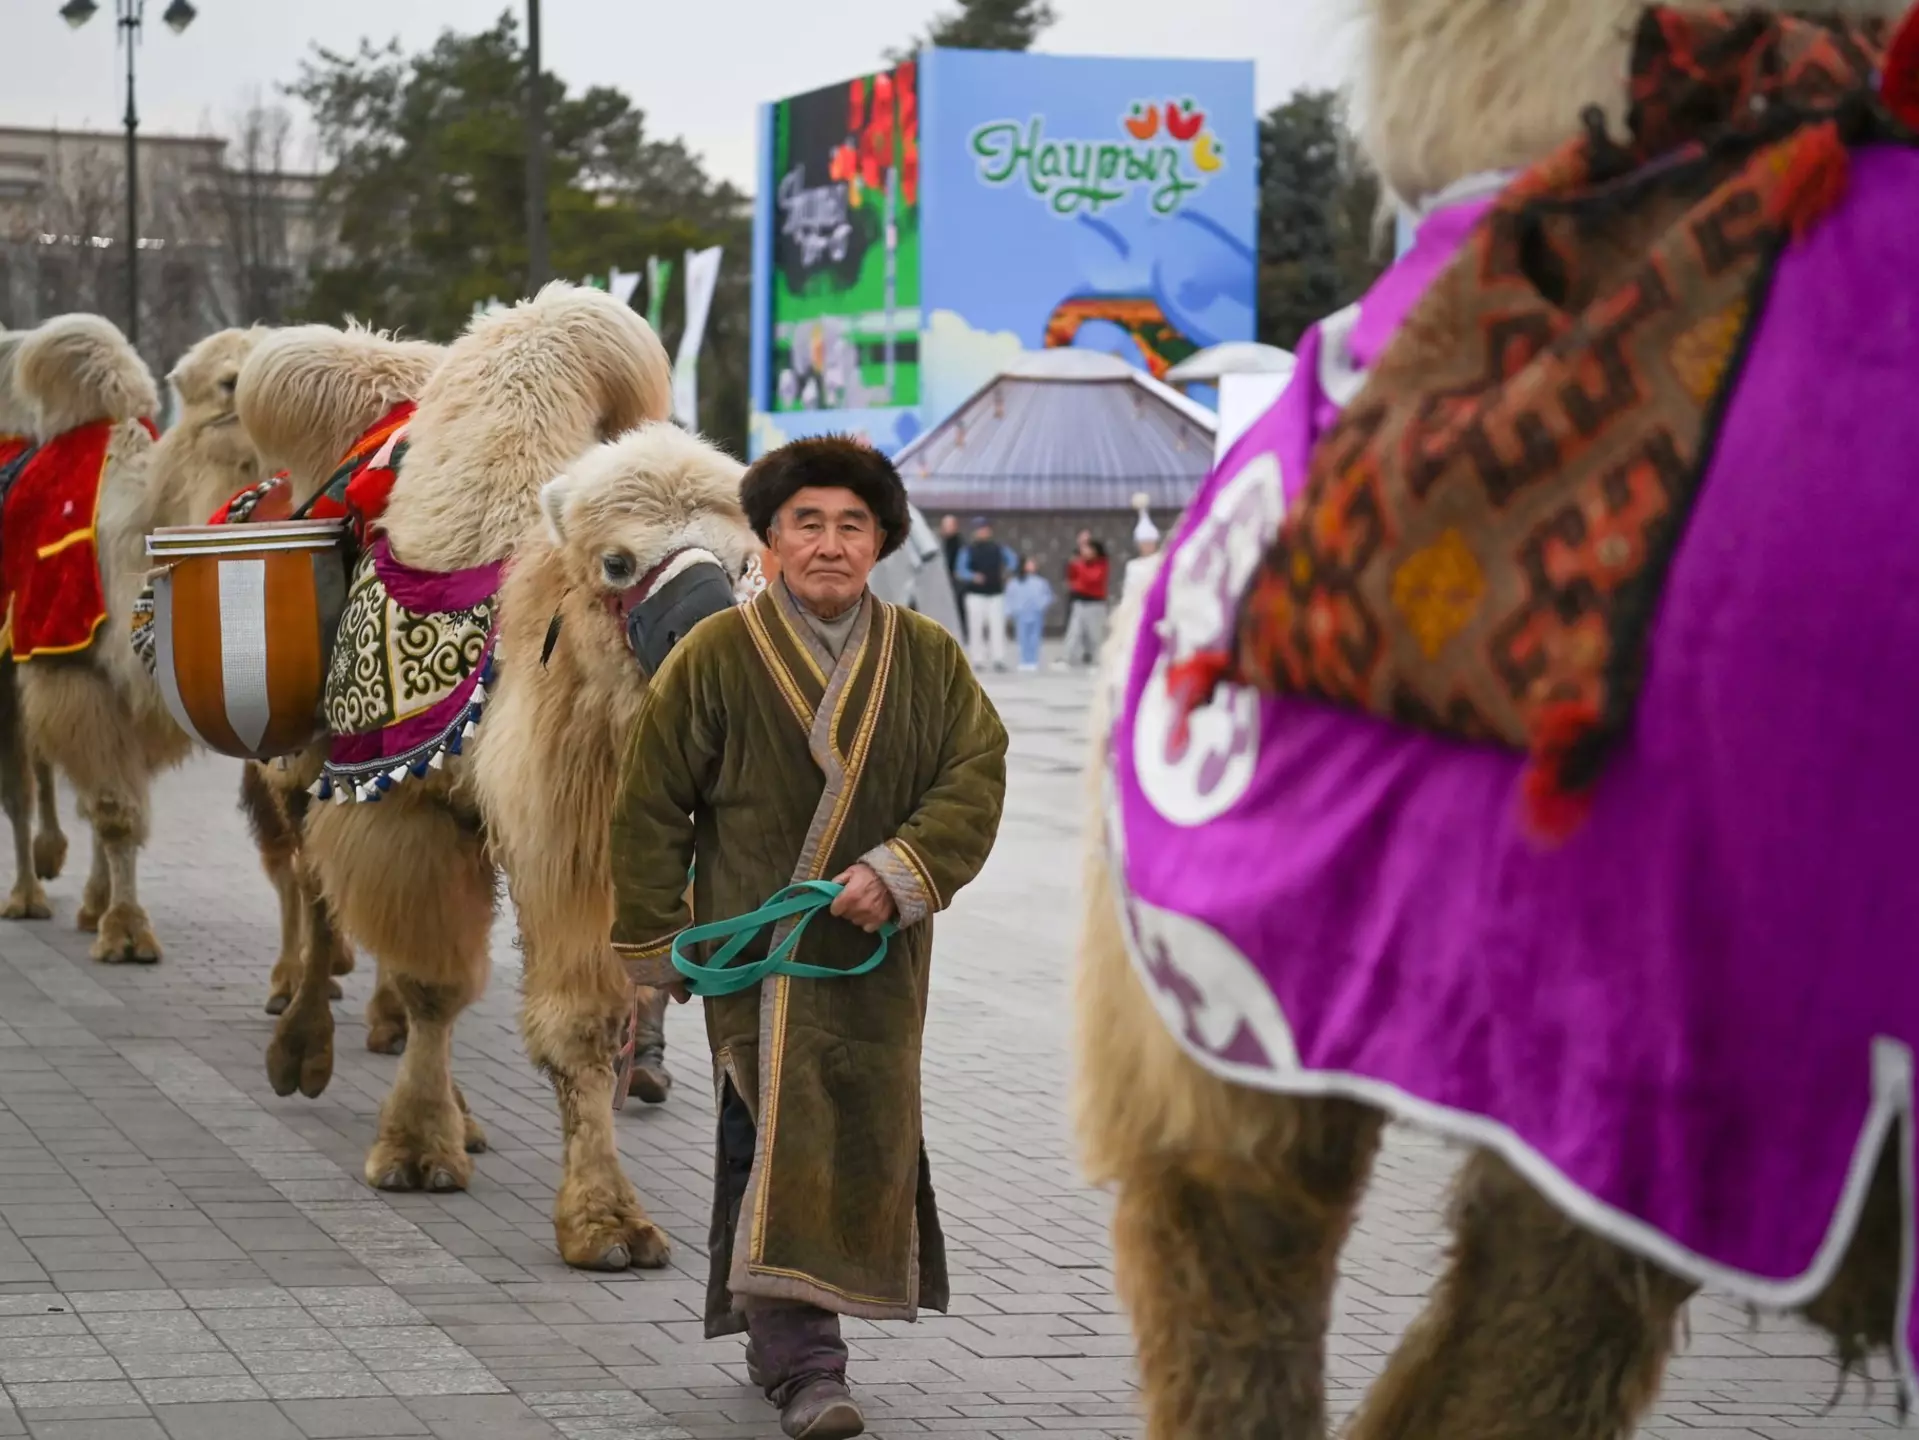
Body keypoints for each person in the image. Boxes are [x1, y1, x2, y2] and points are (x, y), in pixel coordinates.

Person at [609, 435, 1009, 1440]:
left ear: (879, 541)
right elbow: (650, 804)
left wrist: (903, 870)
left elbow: (976, 771)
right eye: (807, 524)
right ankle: (807, 1365)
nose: (829, 545)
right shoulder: (715, 657)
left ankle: (772, 1329)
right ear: (771, 539)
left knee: (855, 1138)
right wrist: (650, 946)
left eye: (850, 525)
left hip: (879, 962)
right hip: (760, 962)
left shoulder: (925, 658)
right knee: (771, 1127)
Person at [953, 517, 1016, 672]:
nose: (983, 531)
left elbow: (1013, 560)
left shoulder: (999, 548)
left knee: (997, 627)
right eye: (980, 529)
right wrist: (973, 576)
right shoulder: (968, 550)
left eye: (985, 528)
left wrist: (1007, 573)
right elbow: (960, 570)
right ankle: (978, 659)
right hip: (975, 594)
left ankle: (998, 658)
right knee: (976, 627)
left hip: (996, 593)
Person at [1062, 534, 1110, 668]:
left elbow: (1092, 579)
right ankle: (1067, 658)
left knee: (1096, 635)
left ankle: (1100, 660)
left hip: (1095, 604)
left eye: (1088, 549)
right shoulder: (1080, 563)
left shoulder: (1101, 564)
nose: (1085, 552)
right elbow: (1072, 577)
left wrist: (1078, 567)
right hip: (1079, 603)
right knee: (1074, 632)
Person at [1003, 556, 1055, 672]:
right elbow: (1009, 597)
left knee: (1034, 638)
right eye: (1029, 563)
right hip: (1020, 614)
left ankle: (1033, 660)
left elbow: (1048, 596)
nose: (1031, 566)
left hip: (1036, 614)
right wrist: (1009, 611)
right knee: (1022, 638)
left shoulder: (1041, 582)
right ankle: (1024, 660)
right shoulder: (1014, 582)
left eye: (1033, 564)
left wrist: (1041, 606)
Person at [1121, 508, 1162, 604]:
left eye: (1150, 543)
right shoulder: (1132, 566)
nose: (1147, 546)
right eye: (1144, 543)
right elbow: (1128, 592)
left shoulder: (1162, 562)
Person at [938, 513, 962, 579]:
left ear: (956, 527)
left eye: (949, 526)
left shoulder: (960, 544)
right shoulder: (935, 541)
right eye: (944, 526)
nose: (946, 529)